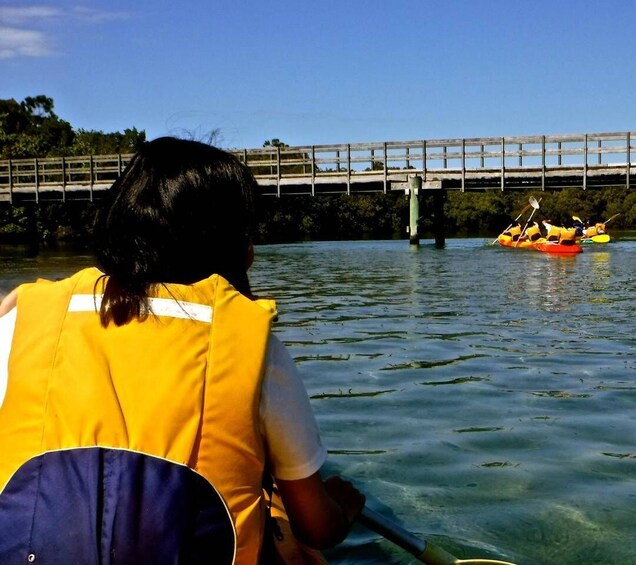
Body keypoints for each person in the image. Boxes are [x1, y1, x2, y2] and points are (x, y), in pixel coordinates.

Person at [0, 137, 365, 564]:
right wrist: (341, 509)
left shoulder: (22, 320)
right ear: (236, 249)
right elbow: (316, 529)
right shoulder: (255, 347)